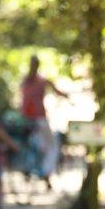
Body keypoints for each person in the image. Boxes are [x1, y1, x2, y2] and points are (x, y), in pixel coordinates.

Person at [20, 55, 68, 187]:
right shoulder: (42, 80)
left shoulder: (25, 80)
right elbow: (58, 92)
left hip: (24, 119)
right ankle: (46, 172)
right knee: (52, 146)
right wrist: (69, 97)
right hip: (39, 118)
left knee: (38, 144)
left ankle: (34, 167)